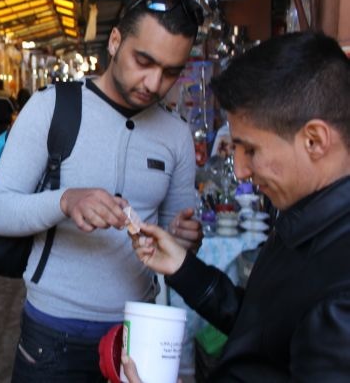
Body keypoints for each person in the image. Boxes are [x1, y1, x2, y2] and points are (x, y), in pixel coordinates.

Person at [0, 0, 204, 382]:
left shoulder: (176, 135)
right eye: (144, 61)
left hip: (137, 335)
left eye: (171, 71)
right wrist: (65, 201)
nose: (154, 83)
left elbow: (174, 241)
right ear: (116, 41)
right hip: (53, 335)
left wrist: (186, 238)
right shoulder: (52, 107)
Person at [124, 31, 350, 382]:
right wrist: (182, 267)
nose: (242, 171)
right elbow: (260, 326)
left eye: (250, 150)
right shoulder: (304, 220)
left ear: (314, 140)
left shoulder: (341, 297)